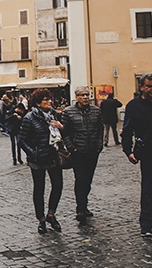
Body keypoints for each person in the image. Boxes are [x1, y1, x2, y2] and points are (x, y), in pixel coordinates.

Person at [19, 88, 64, 234]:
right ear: (38, 103)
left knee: (58, 185)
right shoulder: (29, 118)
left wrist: (61, 127)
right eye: (46, 99)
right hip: (38, 158)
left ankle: (51, 214)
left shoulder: (55, 115)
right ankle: (41, 219)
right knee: (39, 189)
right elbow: (22, 140)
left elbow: (63, 132)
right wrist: (34, 153)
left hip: (53, 155)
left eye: (50, 98)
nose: (50, 101)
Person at [61, 86, 103, 223]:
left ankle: (84, 206)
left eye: (87, 95)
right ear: (76, 97)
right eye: (82, 95)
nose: (85, 97)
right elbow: (65, 132)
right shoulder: (68, 112)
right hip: (78, 151)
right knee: (80, 179)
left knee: (88, 180)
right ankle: (80, 208)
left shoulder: (96, 111)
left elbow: (100, 129)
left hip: (92, 151)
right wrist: (71, 147)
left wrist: (99, 145)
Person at [121, 72, 152, 236]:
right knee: (148, 188)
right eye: (149, 86)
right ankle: (147, 224)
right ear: (141, 87)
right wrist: (128, 151)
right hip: (148, 152)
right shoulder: (133, 106)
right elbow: (127, 130)